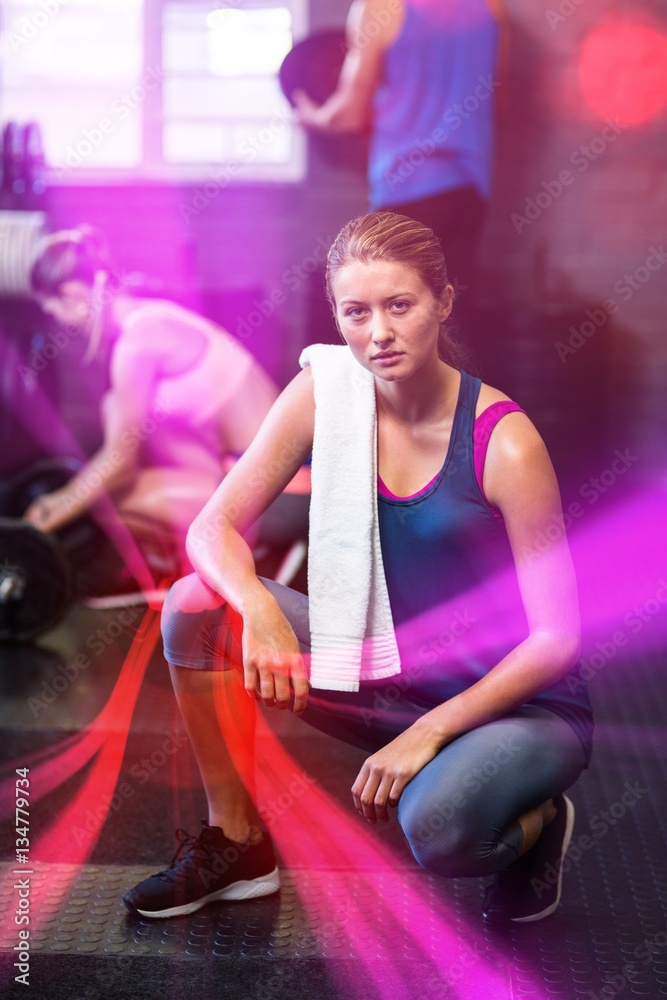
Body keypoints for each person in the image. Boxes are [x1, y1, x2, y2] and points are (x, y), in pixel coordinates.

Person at [123, 211, 593, 924]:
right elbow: (212, 527)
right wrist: (258, 609)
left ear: (443, 302)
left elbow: (556, 639)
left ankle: (537, 824)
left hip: (513, 706)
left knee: (439, 829)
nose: (378, 332)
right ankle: (236, 845)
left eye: (399, 305)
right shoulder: (324, 394)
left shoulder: (504, 443)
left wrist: (430, 733)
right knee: (196, 605)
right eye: (356, 311)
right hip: (387, 670)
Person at [23, 226, 310, 590]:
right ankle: (192, 562)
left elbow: (118, 465)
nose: (60, 325)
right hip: (253, 476)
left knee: (116, 497)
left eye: (53, 312)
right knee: (116, 426)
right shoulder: (150, 316)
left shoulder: (138, 344)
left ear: (72, 294)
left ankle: (242, 561)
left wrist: (50, 515)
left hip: (282, 496)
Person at [293, 0, 505, 309]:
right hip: (469, 185)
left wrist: (312, 117)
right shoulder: (491, 7)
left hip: (407, 185)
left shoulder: (377, 7)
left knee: (394, 319)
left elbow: (349, 114)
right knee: (451, 316)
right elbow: (497, 100)